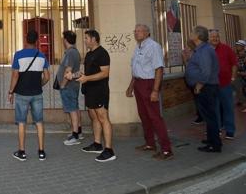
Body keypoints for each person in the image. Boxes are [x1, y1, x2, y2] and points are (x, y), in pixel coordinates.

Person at [126, 24, 173, 160]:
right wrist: (130, 87)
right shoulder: (138, 47)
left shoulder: (153, 46)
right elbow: (136, 70)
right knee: (144, 115)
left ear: (147, 33)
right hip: (138, 83)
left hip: (149, 84)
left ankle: (166, 150)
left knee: (155, 117)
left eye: (139, 31)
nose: (136, 33)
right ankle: (150, 143)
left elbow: (159, 69)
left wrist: (155, 90)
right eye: (135, 31)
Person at [73, 29, 117, 162]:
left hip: (100, 91)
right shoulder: (89, 54)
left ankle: (109, 150)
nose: (85, 40)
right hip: (89, 91)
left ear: (94, 39)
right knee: (94, 118)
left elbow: (104, 73)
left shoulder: (102, 53)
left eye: (86, 38)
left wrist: (87, 78)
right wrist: (74, 75)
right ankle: (97, 144)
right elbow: (86, 73)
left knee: (103, 118)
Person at [8, 30, 50, 162]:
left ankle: (22, 152)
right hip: (37, 93)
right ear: (37, 40)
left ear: (26, 40)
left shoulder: (19, 55)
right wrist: (40, 84)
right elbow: (47, 77)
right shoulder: (42, 56)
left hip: (21, 94)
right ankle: (41, 152)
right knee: (39, 122)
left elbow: (15, 76)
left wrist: (10, 92)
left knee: (21, 122)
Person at [185, 25, 221, 152]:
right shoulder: (200, 49)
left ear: (198, 36)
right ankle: (211, 139)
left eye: (192, 32)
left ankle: (214, 144)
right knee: (208, 115)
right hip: (206, 87)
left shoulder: (205, 50)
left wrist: (199, 85)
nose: (190, 34)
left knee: (210, 116)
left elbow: (206, 71)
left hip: (206, 87)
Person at [209, 30, 237, 140]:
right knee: (214, 108)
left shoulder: (226, 48)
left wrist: (233, 77)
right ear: (208, 38)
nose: (215, 38)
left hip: (225, 83)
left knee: (228, 107)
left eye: (216, 36)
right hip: (211, 84)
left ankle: (230, 130)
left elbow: (234, 63)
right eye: (212, 37)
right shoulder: (206, 49)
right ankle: (217, 129)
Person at [58, 30, 82, 146]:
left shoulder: (71, 53)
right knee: (75, 108)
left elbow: (68, 70)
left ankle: (75, 135)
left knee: (72, 109)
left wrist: (62, 85)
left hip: (69, 86)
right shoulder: (73, 52)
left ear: (65, 40)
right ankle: (78, 131)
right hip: (73, 85)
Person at [232, 40, 246, 106]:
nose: (237, 46)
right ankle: (240, 100)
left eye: (238, 45)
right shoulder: (235, 54)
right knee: (237, 87)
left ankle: (245, 102)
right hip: (237, 73)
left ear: (243, 46)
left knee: (244, 88)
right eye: (236, 45)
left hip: (244, 73)